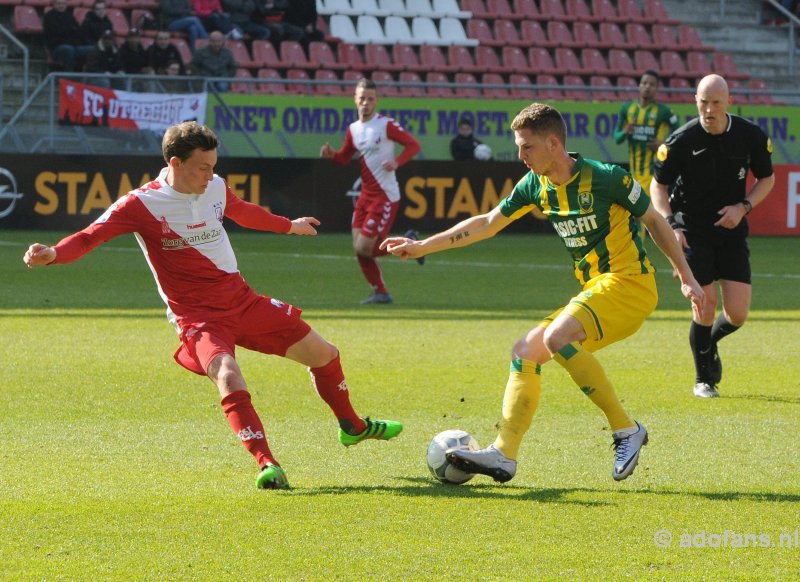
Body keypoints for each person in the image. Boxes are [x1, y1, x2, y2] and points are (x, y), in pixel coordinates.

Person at [22, 121, 403, 490]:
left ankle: (352, 426)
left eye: (213, 167)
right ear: (175, 163)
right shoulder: (140, 204)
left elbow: (242, 210)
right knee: (227, 374)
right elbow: (90, 237)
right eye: (203, 167)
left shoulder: (215, 186)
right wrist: (53, 253)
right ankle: (267, 463)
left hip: (242, 300)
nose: (210, 175)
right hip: (196, 317)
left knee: (325, 354)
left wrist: (289, 225)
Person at [382, 103, 703, 483]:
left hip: (630, 284)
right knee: (526, 351)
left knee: (555, 337)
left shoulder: (606, 178)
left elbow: (654, 221)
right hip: (598, 290)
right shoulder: (535, 185)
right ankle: (504, 453)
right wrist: (422, 248)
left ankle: (626, 430)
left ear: (553, 143)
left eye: (526, 147)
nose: (520, 157)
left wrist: (687, 276)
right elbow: (486, 223)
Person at [650, 74, 774, 399]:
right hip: (692, 231)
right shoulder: (681, 141)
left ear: (728, 102)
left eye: (715, 102)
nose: (709, 109)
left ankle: (709, 342)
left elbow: (767, 179)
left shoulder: (750, 136)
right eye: (703, 102)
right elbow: (658, 187)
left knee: (738, 314)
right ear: (695, 101)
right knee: (703, 306)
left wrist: (743, 207)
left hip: (732, 230)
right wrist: (670, 225)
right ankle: (703, 380)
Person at [320, 78, 422, 305]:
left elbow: (414, 145)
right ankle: (381, 292)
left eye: (370, 99)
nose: (365, 103)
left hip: (385, 195)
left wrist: (397, 162)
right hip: (365, 196)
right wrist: (332, 155)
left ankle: (409, 241)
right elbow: (345, 158)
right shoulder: (353, 130)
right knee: (359, 249)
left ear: (377, 101)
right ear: (355, 100)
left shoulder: (385, 125)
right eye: (362, 98)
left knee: (365, 247)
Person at [613, 70, 680, 196]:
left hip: (653, 174)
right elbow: (617, 138)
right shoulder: (627, 109)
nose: (647, 86)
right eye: (644, 83)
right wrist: (625, 131)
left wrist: (664, 144)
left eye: (652, 84)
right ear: (639, 86)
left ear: (656, 89)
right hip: (632, 175)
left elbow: (680, 136)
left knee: (649, 214)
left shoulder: (664, 111)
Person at [42, 0, 93, 72]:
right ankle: (69, 76)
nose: (61, 5)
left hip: (73, 46)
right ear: (54, 4)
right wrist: (70, 32)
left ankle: (90, 76)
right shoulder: (48, 16)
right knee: (68, 49)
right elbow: (55, 33)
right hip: (56, 48)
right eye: (58, 3)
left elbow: (77, 31)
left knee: (92, 49)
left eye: (63, 3)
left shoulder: (69, 16)